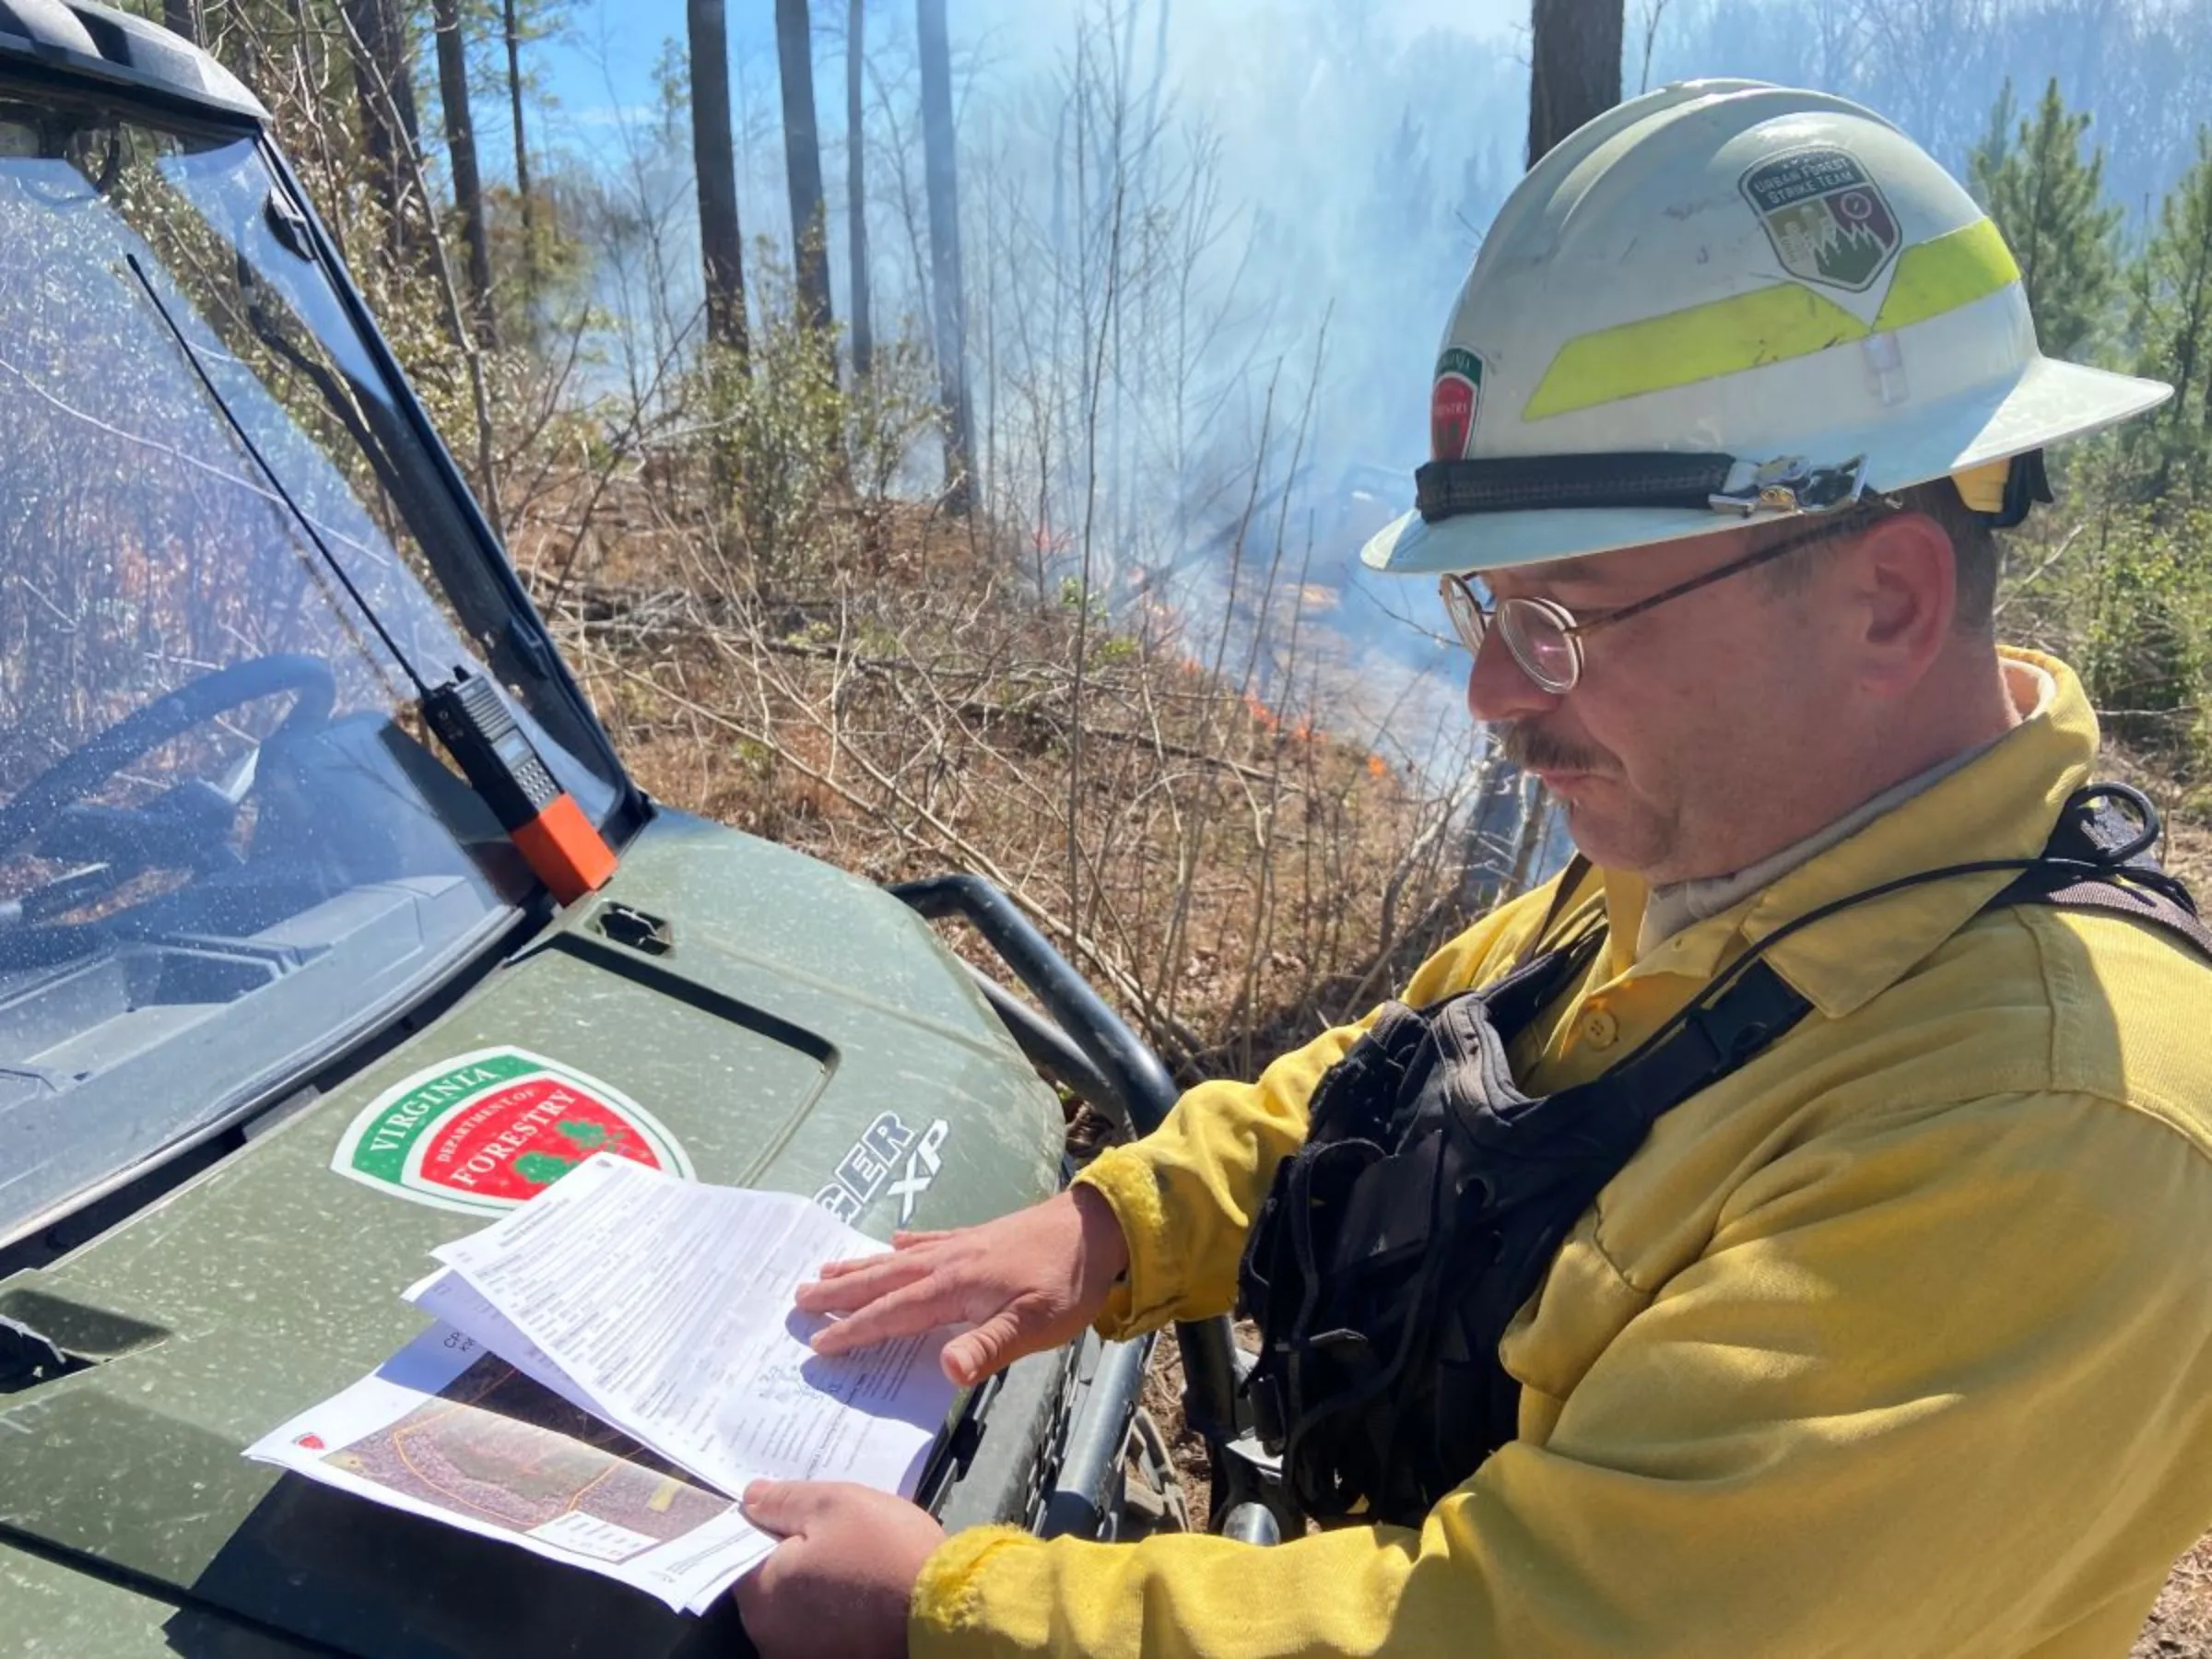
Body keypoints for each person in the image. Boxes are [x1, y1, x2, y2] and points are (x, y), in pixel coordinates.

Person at [735, 79, 2212, 1659]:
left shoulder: (2050, 1137)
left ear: (1886, 606)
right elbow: (1396, 1075)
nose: (1496, 694)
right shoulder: (1732, 852)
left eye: (1563, 618)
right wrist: (1108, 1229)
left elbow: (1538, 1631)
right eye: (1485, 611)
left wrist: (950, 1609)